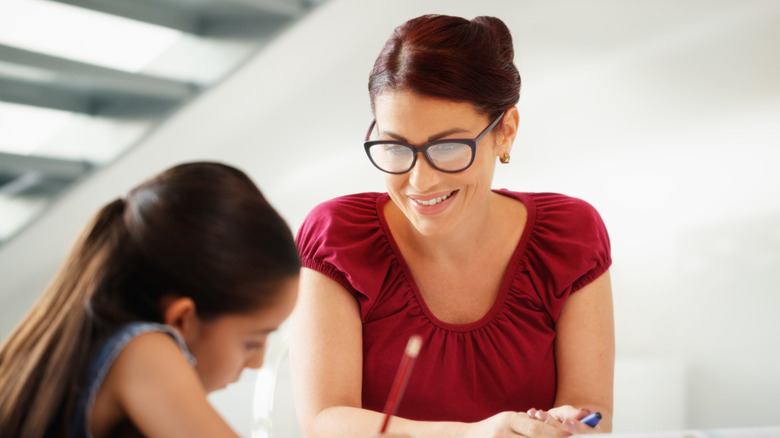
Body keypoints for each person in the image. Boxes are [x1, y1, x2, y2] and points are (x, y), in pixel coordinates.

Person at [290, 14, 614, 438]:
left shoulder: (570, 235)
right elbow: (323, 419)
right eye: (395, 146)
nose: (420, 182)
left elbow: (594, 408)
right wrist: (470, 435)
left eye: (447, 147)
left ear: (506, 133)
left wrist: (572, 422)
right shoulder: (338, 237)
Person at [0, 162, 301, 438]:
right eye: (252, 342)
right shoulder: (142, 351)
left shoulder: (83, 352)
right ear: (182, 319)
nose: (257, 362)